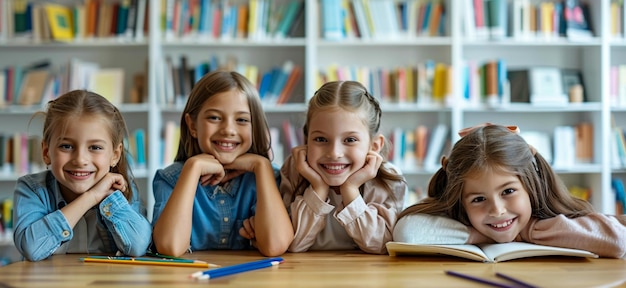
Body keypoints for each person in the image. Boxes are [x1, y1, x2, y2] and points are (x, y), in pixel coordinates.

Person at [393, 123, 626, 258]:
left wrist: (528, 231)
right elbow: (408, 232)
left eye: (508, 192)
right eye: (478, 199)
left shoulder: (547, 222)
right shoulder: (461, 218)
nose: (497, 210)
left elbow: (618, 240)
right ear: (461, 201)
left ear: (531, 185)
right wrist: (482, 233)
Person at [151, 70, 293, 257]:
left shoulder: (265, 177)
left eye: (242, 120)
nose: (228, 130)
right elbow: (169, 247)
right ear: (193, 126)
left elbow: (275, 245)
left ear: (254, 127)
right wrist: (192, 168)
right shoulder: (170, 179)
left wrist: (262, 166)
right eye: (215, 118)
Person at [13, 90, 152, 262]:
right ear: (46, 151)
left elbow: (138, 246)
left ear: (115, 155)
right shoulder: (32, 189)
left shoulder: (122, 189)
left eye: (95, 147)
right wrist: (91, 197)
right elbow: (32, 248)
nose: (80, 160)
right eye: (66, 146)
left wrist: (111, 201)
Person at [280, 80, 407, 254]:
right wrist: (318, 188)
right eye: (321, 139)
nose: (334, 153)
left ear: (374, 146)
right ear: (306, 141)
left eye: (350, 140)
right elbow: (291, 243)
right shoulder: (294, 171)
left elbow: (383, 245)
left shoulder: (389, 178)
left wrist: (350, 190)